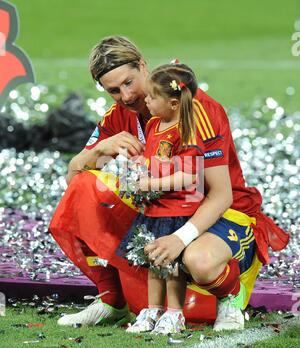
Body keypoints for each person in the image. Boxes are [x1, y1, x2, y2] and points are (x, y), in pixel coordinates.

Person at [53, 36, 289, 330]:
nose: (126, 96)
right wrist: (99, 150)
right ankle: (112, 299)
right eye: (114, 90)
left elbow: (221, 194)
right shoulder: (119, 116)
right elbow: (73, 180)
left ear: (143, 66)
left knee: (198, 261)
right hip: (161, 215)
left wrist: (180, 238)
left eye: (129, 82)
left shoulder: (196, 108)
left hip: (219, 214)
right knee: (85, 189)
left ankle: (229, 297)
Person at [117, 63, 203, 334]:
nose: (147, 101)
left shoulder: (186, 130)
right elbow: (154, 158)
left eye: (153, 97)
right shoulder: (154, 124)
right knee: (153, 262)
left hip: (176, 210)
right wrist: (138, 166)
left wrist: (152, 183)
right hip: (154, 208)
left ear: (174, 103)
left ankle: (175, 314)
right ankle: (153, 310)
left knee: (172, 265)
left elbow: (189, 176)